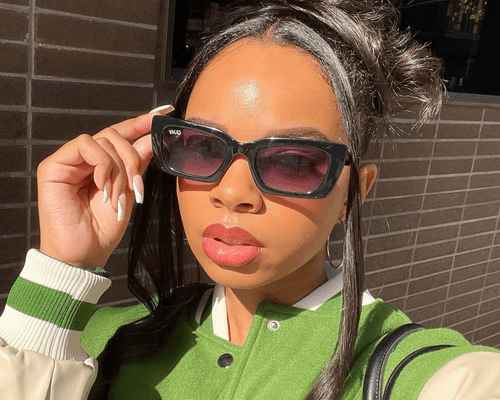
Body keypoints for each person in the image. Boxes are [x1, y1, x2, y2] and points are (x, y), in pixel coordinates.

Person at [1, 0, 499, 399]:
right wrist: (62, 266)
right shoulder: (101, 341)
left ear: (353, 192)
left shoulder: (403, 372)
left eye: (295, 161)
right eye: (201, 146)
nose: (234, 193)